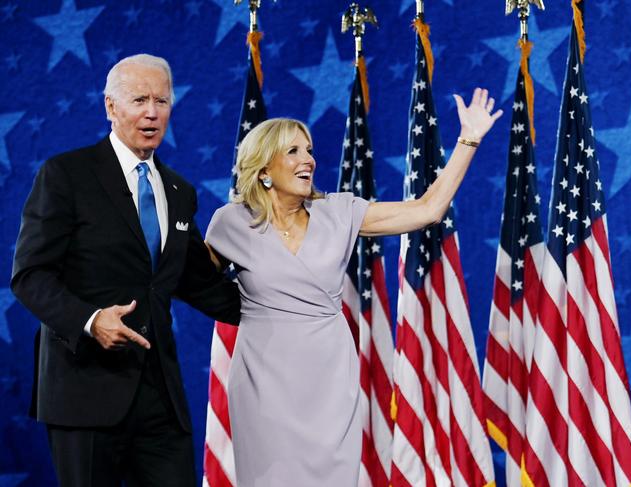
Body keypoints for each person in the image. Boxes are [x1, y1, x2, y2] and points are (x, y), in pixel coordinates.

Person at [204, 88, 503, 486]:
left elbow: (427, 210)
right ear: (262, 169)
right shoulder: (230, 223)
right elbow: (192, 281)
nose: (308, 159)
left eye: (308, 150)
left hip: (328, 374)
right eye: (292, 151)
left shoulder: (339, 212)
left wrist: (469, 140)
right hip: (262, 379)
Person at [11, 54, 240, 487]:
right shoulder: (66, 175)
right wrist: (91, 321)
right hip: (84, 390)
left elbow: (197, 282)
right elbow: (31, 276)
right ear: (110, 107)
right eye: (139, 99)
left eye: (162, 100)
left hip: (160, 396)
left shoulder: (179, 190)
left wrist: (284, 305)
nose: (152, 112)